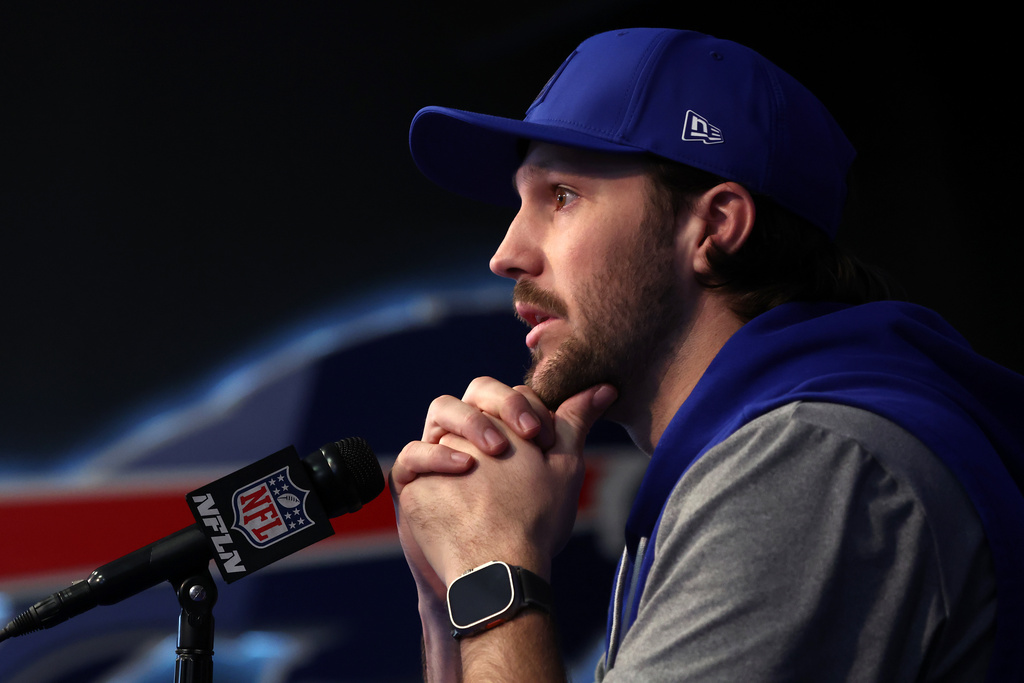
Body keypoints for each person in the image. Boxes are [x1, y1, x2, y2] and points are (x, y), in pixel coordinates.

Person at [388, 28, 1024, 682]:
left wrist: (492, 562)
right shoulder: (752, 460)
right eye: (521, 203)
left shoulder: (807, 463)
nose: (506, 255)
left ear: (715, 227)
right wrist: (448, 594)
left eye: (561, 196)